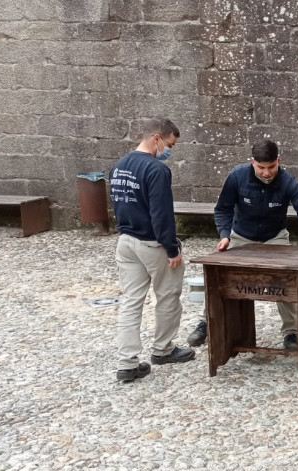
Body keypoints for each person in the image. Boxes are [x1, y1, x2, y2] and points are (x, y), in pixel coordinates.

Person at [186, 139, 298, 349]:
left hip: (274, 237)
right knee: (220, 277)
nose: (266, 172)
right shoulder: (236, 176)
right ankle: (206, 322)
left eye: (271, 167)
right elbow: (223, 209)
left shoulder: (288, 181)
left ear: (278, 161)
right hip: (240, 236)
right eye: (261, 167)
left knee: (287, 281)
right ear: (252, 163)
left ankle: (292, 333)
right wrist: (224, 235)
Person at [110, 118, 196, 383]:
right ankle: (163, 349)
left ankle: (127, 363)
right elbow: (161, 215)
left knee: (131, 302)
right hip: (152, 243)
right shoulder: (156, 170)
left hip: (125, 241)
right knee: (168, 295)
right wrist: (172, 249)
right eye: (169, 144)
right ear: (157, 138)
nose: (169, 151)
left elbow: (119, 205)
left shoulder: (119, 166)